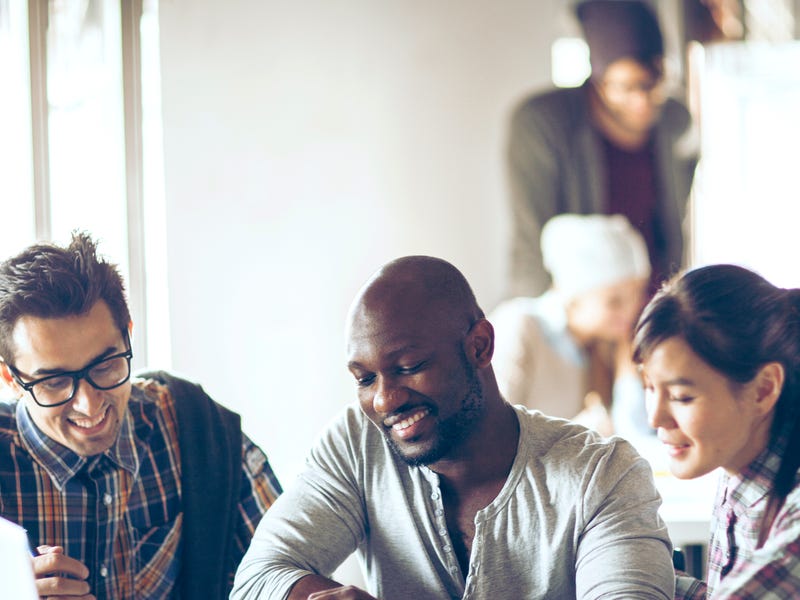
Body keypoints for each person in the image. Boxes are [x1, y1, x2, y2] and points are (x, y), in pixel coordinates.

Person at [231, 255, 674, 599]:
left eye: (409, 366)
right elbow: (257, 577)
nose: (385, 399)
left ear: (480, 346)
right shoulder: (357, 443)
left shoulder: (603, 475)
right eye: (365, 379)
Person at [0, 232, 283, 600]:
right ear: (10, 378)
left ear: (128, 336)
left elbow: (282, 566)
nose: (88, 404)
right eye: (54, 381)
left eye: (105, 365)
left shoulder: (197, 429)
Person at [506, 0, 698, 298]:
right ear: (597, 81)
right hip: (575, 308)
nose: (643, 100)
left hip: (651, 304)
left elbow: (674, 228)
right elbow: (534, 241)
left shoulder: (674, 120)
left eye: (654, 82)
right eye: (627, 87)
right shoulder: (542, 123)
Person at [633, 264, 800, 598]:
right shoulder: (740, 465)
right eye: (649, 387)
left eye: (682, 396)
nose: (655, 418)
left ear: (763, 390)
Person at [491, 213, 651, 439]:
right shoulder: (519, 326)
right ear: (572, 297)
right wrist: (574, 434)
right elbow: (491, 436)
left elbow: (634, 433)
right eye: (614, 301)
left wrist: (626, 365)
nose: (631, 310)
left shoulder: (606, 346)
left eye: (638, 295)